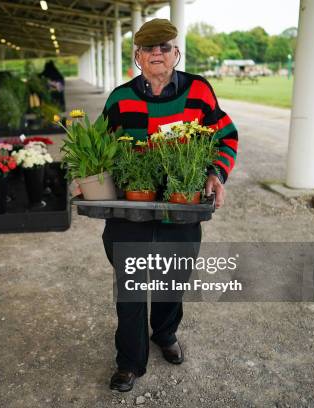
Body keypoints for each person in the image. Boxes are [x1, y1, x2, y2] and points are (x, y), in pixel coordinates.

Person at [100, 18, 239, 392]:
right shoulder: (120, 98)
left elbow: (226, 136)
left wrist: (216, 174)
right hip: (132, 206)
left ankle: (164, 333)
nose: (157, 54)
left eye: (165, 47)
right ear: (138, 57)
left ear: (176, 53)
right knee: (130, 283)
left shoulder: (198, 91)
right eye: (149, 48)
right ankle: (129, 361)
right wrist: (89, 179)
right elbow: (99, 149)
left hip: (183, 203)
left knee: (172, 276)